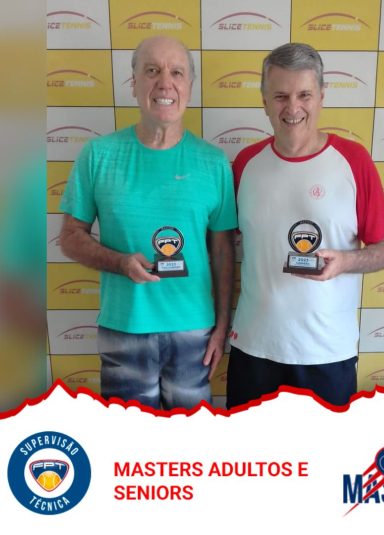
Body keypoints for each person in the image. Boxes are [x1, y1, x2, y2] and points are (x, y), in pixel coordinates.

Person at [59, 36, 237, 410]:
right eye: (152, 71)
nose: (165, 83)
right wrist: (120, 263)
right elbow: (71, 237)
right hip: (124, 328)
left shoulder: (214, 162)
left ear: (190, 86)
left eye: (177, 73)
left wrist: (222, 327)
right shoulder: (98, 155)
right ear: (134, 83)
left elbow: (222, 252)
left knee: (189, 438)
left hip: (194, 331)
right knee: (130, 438)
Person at [226, 43, 384, 409]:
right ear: (265, 102)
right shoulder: (245, 163)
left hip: (327, 353)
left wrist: (346, 261)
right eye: (281, 96)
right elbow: (223, 246)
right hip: (254, 348)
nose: (293, 108)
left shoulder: (354, 161)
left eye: (304, 94)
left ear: (321, 96)